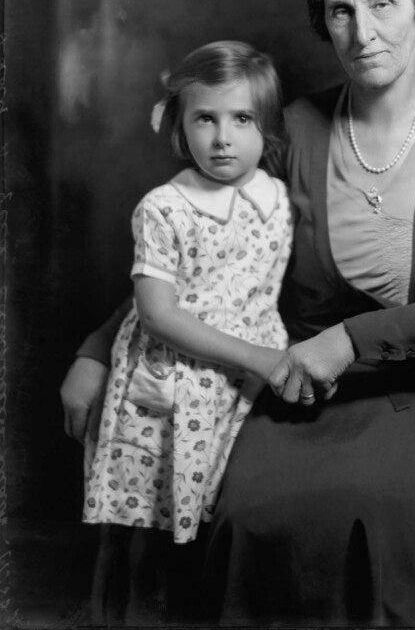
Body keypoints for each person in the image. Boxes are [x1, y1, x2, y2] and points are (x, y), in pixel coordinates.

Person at [61, 0, 415, 626]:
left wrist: (350, 339)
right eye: (341, 10)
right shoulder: (297, 128)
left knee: (381, 512)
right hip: (296, 387)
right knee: (246, 513)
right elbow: (196, 253)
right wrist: (98, 349)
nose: (362, 32)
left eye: (382, 3)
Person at [78, 40, 293, 618]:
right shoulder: (165, 208)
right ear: (180, 125)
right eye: (205, 119)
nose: (223, 138)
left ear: (267, 126)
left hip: (238, 387)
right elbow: (158, 314)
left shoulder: (275, 198)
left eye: (242, 119)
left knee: (209, 527)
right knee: (142, 525)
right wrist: (258, 356)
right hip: (171, 384)